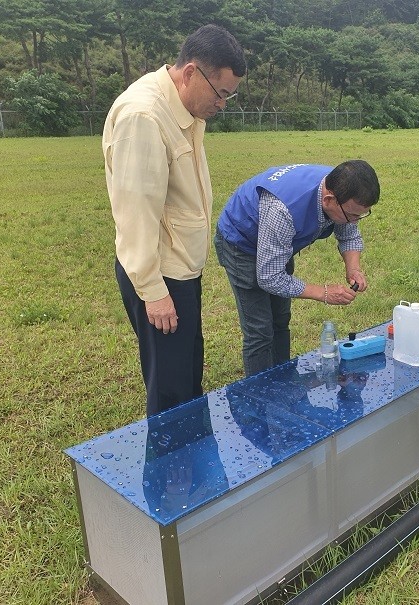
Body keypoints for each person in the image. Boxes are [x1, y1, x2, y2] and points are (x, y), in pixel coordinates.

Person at [103, 25, 246, 416]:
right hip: (159, 276)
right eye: (221, 93)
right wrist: (154, 291)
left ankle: (194, 465)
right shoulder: (144, 117)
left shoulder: (185, 107)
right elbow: (135, 215)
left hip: (180, 269)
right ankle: (170, 473)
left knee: (187, 376)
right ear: (190, 74)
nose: (222, 105)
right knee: (170, 391)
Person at [214, 161, 380, 376]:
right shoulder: (282, 210)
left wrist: (354, 268)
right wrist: (325, 293)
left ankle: (282, 380)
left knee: (280, 319)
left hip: (278, 242)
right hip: (242, 244)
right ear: (329, 200)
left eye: (362, 214)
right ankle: (261, 396)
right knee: (260, 332)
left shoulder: (341, 188)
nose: (355, 220)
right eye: (353, 215)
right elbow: (270, 278)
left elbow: (348, 233)